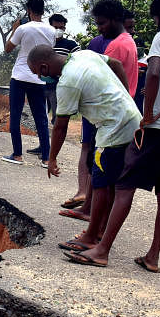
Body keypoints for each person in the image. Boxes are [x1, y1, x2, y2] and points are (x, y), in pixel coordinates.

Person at [65, 0, 160, 272]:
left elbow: (153, 72)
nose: (156, 24)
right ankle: (152, 256)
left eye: (156, 18)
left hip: (159, 125)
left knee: (124, 185)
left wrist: (149, 113)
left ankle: (102, 249)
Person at [29, 45, 140, 254]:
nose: (41, 77)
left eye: (38, 73)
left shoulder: (67, 84)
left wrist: (51, 159)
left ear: (44, 68)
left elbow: (60, 126)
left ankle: (90, 237)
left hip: (113, 130)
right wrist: (126, 96)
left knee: (100, 184)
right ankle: (99, 233)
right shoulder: (84, 55)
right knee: (112, 184)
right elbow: (116, 64)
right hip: (132, 121)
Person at [59, 32, 110, 220]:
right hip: (94, 109)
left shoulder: (125, 43)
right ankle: (85, 195)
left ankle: (94, 212)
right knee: (88, 150)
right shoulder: (97, 42)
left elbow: (61, 125)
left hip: (105, 112)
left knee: (99, 158)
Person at [2, 0, 58, 166]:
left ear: (29, 10)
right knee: (41, 118)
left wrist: (14, 29)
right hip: (39, 78)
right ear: (43, 10)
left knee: (16, 115)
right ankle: (46, 158)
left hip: (19, 77)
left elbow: (8, 49)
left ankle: (17, 155)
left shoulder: (23, 29)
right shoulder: (51, 31)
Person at [47, 14, 78, 121]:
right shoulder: (44, 43)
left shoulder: (70, 45)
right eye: (56, 28)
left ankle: (55, 137)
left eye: (61, 28)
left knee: (58, 118)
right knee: (39, 115)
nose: (58, 30)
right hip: (42, 85)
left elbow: (79, 61)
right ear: (50, 27)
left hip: (60, 87)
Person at [124, 11, 147, 112]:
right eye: (129, 28)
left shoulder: (146, 59)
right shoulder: (113, 47)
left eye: (133, 27)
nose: (133, 31)